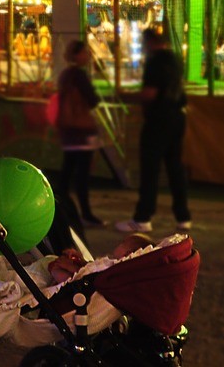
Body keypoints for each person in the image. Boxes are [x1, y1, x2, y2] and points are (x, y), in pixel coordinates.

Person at [116, 27, 193, 233]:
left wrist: (126, 96)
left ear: (150, 42)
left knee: (150, 168)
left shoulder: (154, 62)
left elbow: (150, 94)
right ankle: (183, 216)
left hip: (159, 118)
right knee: (175, 166)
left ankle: (143, 217)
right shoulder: (175, 60)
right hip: (177, 116)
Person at [54, 39, 104, 230]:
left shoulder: (65, 75)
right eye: (84, 53)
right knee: (81, 175)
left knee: (67, 172)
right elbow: (92, 100)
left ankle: (60, 210)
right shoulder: (80, 76)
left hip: (68, 132)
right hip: (82, 133)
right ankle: (86, 213)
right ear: (76, 55)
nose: (87, 56)